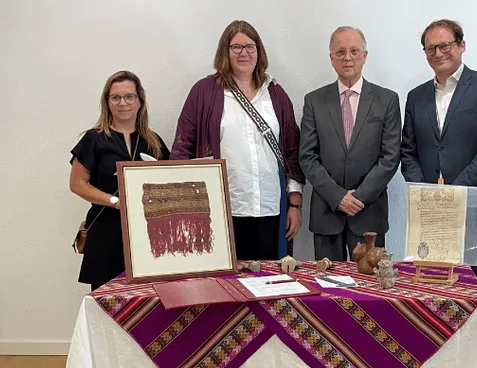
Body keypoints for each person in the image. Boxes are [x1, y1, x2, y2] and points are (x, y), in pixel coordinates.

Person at [170, 20, 304, 261]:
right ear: (225, 51)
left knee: (267, 282)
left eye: (250, 47)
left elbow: (292, 152)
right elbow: (182, 148)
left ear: (259, 51)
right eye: (236, 47)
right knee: (223, 283)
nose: (244, 53)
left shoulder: (275, 93)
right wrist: (185, 205)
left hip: (270, 207)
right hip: (220, 208)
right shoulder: (204, 91)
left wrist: (294, 205)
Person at [400, 19, 477, 309]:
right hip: (430, 211)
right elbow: (407, 151)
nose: (438, 53)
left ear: (461, 45)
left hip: (476, 207)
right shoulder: (415, 97)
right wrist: (425, 192)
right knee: (432, 291)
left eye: (444, 45)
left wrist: (453, 193)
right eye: (430, 48)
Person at [299, 26, 401, 261]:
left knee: (369, 290)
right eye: (340, 52)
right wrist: (337, 197)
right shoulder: (314, 101)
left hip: (369, 213)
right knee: (328, 289)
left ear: (364, 56)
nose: (348, 57)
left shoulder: (387, 100)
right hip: (327, 212)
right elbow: (307, 156)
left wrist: (359, 197)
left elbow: (390, 157)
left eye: (354, 50)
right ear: (331, 58)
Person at [70, 71, 171, 291]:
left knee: (148, 305)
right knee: (106, 306)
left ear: (140, 101)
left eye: (129, 96)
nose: (123, 103)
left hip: (148, 234)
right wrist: (116, 201)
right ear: (107, 102)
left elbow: (169, 183)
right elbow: (77, 184)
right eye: (115, 97)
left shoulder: (153, 141)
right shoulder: (93, 139)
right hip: (106, 231)